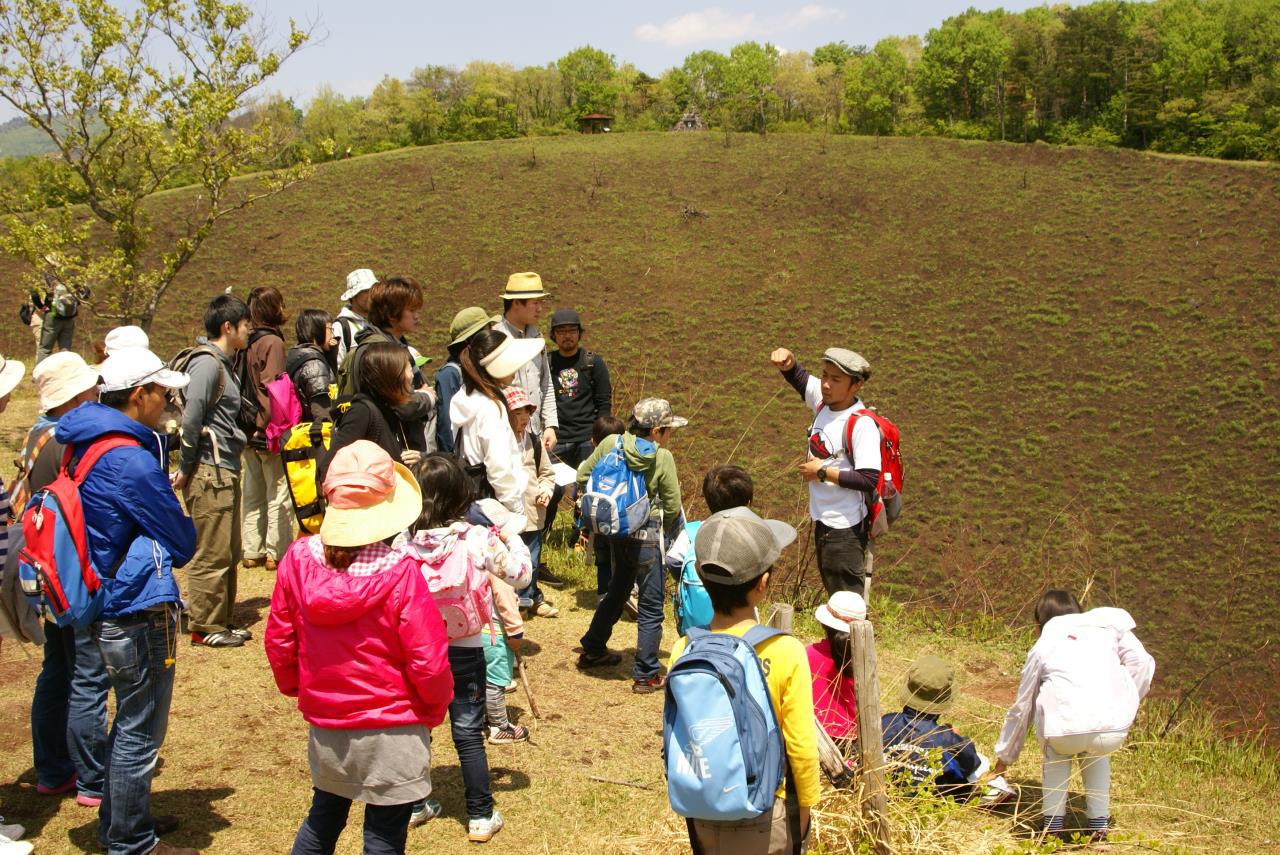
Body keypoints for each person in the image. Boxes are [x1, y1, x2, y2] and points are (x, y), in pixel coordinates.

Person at [265, 441, 452, 855]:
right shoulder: (402, 574)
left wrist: (303, 689)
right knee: (384, 834)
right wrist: (434, 709)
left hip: (329, 723)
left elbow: (280, 640)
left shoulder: (297, 560)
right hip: (394, 724)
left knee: (324, 814)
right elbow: (429, 660)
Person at [57, 346, 199, 855]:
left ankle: (122, 823)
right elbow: (183, 542)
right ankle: (133, 842)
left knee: (128, 723)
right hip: (136, 607)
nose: (166, 403)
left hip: (102, 599)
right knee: (140, 731)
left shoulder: (85, 445)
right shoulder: (132, 461)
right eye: (162, 393)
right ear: (139, 395)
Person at [668, 507, 817, 854]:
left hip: (704, 808)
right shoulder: (786, 651)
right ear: (763, 584)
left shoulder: (683, 648)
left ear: (702, 577)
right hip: (769, 811)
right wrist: (804, 811)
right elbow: (801, 748)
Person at [403, 453, 533, 842]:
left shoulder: (405, 543)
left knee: (418, 727)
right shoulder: (476, 537)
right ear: (461, 493)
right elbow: (521, 576)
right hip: (467, 646)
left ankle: (413, 804)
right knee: (466, 730)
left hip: (420, 650)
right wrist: (515, 540)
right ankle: (479, 814)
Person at [991, 591, 1155, 842]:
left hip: (1063, 733)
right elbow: (1143, 663)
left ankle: (1052, 828)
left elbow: (1022, 708)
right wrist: (1124, 701)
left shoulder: (1044, 643)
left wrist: (1002, 762)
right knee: (1097, 754)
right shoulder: (1106, 625)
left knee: (1056, 756)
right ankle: (1099, 828)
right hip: (1111, 731)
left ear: (1040, 622)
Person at [20, 353, 110, 809]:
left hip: (45, 569)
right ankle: (94, 777)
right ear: (77, 395)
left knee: (56, 669)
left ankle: (52, 768)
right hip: (74, 572)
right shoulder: (70, 439)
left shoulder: (37, 434)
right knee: (88, 675)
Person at [575, 398, 686, 694]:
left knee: (619, 589)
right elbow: (673, 505)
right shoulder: (661, 457)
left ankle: (593, 647)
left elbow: (583, 475)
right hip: (646, 533)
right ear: (656, 430)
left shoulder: (611, 442)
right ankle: (647, 673)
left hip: (614, 531)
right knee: (650, 606)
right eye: (668, 430)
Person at [769, 346, 881, 597]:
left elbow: (868, 478)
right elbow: (801, 380)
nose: (826, 384)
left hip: (845, 528)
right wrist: (789, 363)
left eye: (835, 379)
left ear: (856, 386)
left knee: (847, 604)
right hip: (823, 522)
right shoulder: (823, 404)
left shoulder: (861, 424)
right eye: (825, 375)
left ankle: (852, 638)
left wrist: (822, 472)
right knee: (835, 597)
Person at [174, 294, 250, 648]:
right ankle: (205, 626)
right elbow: (192, 419)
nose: (249, 331)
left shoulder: (224, 362)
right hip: (209, 470)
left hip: (224, 467)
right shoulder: (207, 365)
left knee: (229, 550)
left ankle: (222, 618)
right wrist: (187, 467)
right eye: (245, 325)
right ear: (228, 327)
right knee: (212, 551)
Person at [449, 329, 544, 531]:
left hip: (470, 502)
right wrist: (516, 510)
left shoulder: (464, 398)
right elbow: (499, 468)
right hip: (494, 507)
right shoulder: (492, 407)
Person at [542, 307, 611, 547]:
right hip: (556, 438)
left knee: (587, 491)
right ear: (553, 335)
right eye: (561, 331)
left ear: (579, 333)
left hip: (586, 438)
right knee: (549, 489)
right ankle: (542, 534)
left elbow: (604, 403)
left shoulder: (593, 363)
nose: (567, 336)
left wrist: (601, 438)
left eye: (571, 330)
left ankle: (581, 538)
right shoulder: (546, 363)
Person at [881, 655, 985, 800]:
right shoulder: (948, 738)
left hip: (885, 794)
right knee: (984, 763)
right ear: (945, 698)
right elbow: (971, 763)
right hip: (932, 801)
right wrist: (957, 737)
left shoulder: (885, 723)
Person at [240, 286, 291, 571]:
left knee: (253, 490)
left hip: (245, 427)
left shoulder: (244, 340)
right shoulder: (272, 342)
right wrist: (267, 425)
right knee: (278, 491)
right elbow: (275, 388)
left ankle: (252, 549)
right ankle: (276, 551)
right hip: (266, 427)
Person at [324, 342, 420, 481]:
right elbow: (328, 468)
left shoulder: (387, 409)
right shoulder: (362, 412)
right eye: (407, 368)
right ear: (390, 375)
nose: (412, 375)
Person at [503, 387, 557, 617]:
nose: (523, 418)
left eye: (527, 412)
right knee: (510, 558)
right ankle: (518, 600)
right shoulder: (498, 443)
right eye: (517, 412)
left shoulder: (533, 441)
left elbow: (546, 473)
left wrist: (545, 490)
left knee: (532, 558)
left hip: (533, 512)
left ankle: (527, 599)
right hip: (507, 514)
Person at [496, 273, 557, 452]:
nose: (540, 309)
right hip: (506, 436)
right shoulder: (495, 339)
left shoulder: (537, 337)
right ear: (516, 303)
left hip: (535, 433)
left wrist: (551, 425)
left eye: (541, 303)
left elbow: (546, 384)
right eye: (535, 303)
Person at [809, 591, 863, 749]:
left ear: (823, 624)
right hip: (850, 740)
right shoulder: (861, 663)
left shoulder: (806, 654)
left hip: (813, 735)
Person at [435, 307, 492, 453]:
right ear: (470, 340)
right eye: (485, 331)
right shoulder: (450, 374)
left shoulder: (480, 368)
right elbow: (447, 426)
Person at [583, 414, 625, 599]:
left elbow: (581, 476)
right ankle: (624, 593)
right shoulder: (628, 459)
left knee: (603, 554)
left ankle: (604, 592)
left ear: (593, 441)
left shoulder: (594, 461)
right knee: (623, 555)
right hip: (622, 514)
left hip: (599, 514)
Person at [286, 309, 338, 424]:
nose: (333, 335)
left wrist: (331, 354)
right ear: (317, 330)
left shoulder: (300, 354)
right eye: (330, 329)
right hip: (315, 433)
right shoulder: (315, 364)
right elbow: (322, 411)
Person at [34, 278, 90, 364]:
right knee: (65, 349)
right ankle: (65, 373)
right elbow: (86, 293)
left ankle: (39, 374)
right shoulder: (73, 276)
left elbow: (34, 293)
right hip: (69, 317)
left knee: (45, 349)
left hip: (52, 315)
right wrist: (75, 304)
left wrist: (41, 306)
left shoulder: (48, 276)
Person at [332, 268, 376, 368]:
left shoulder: (379, 322)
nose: (371, 295)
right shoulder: (341, 327)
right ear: (354, 295)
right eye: (365, 291)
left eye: (373, 289)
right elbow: (337, 367)